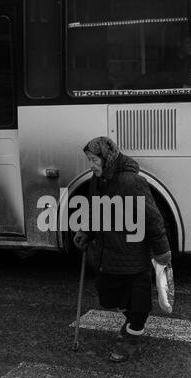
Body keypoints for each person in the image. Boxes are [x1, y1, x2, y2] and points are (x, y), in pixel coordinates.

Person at [73, 136, 171, 362]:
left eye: (94, 160)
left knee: (139, 305)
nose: (91, 164)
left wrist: (162, 252)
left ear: (106, 158)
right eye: (89, 160)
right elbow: (94, 210)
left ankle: (130, 341)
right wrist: (86, 231)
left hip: (133, 254)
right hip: (107, 253)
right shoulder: (97, 180)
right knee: (109, 296)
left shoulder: (131, 182)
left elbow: (153, 219)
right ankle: (130, 323)